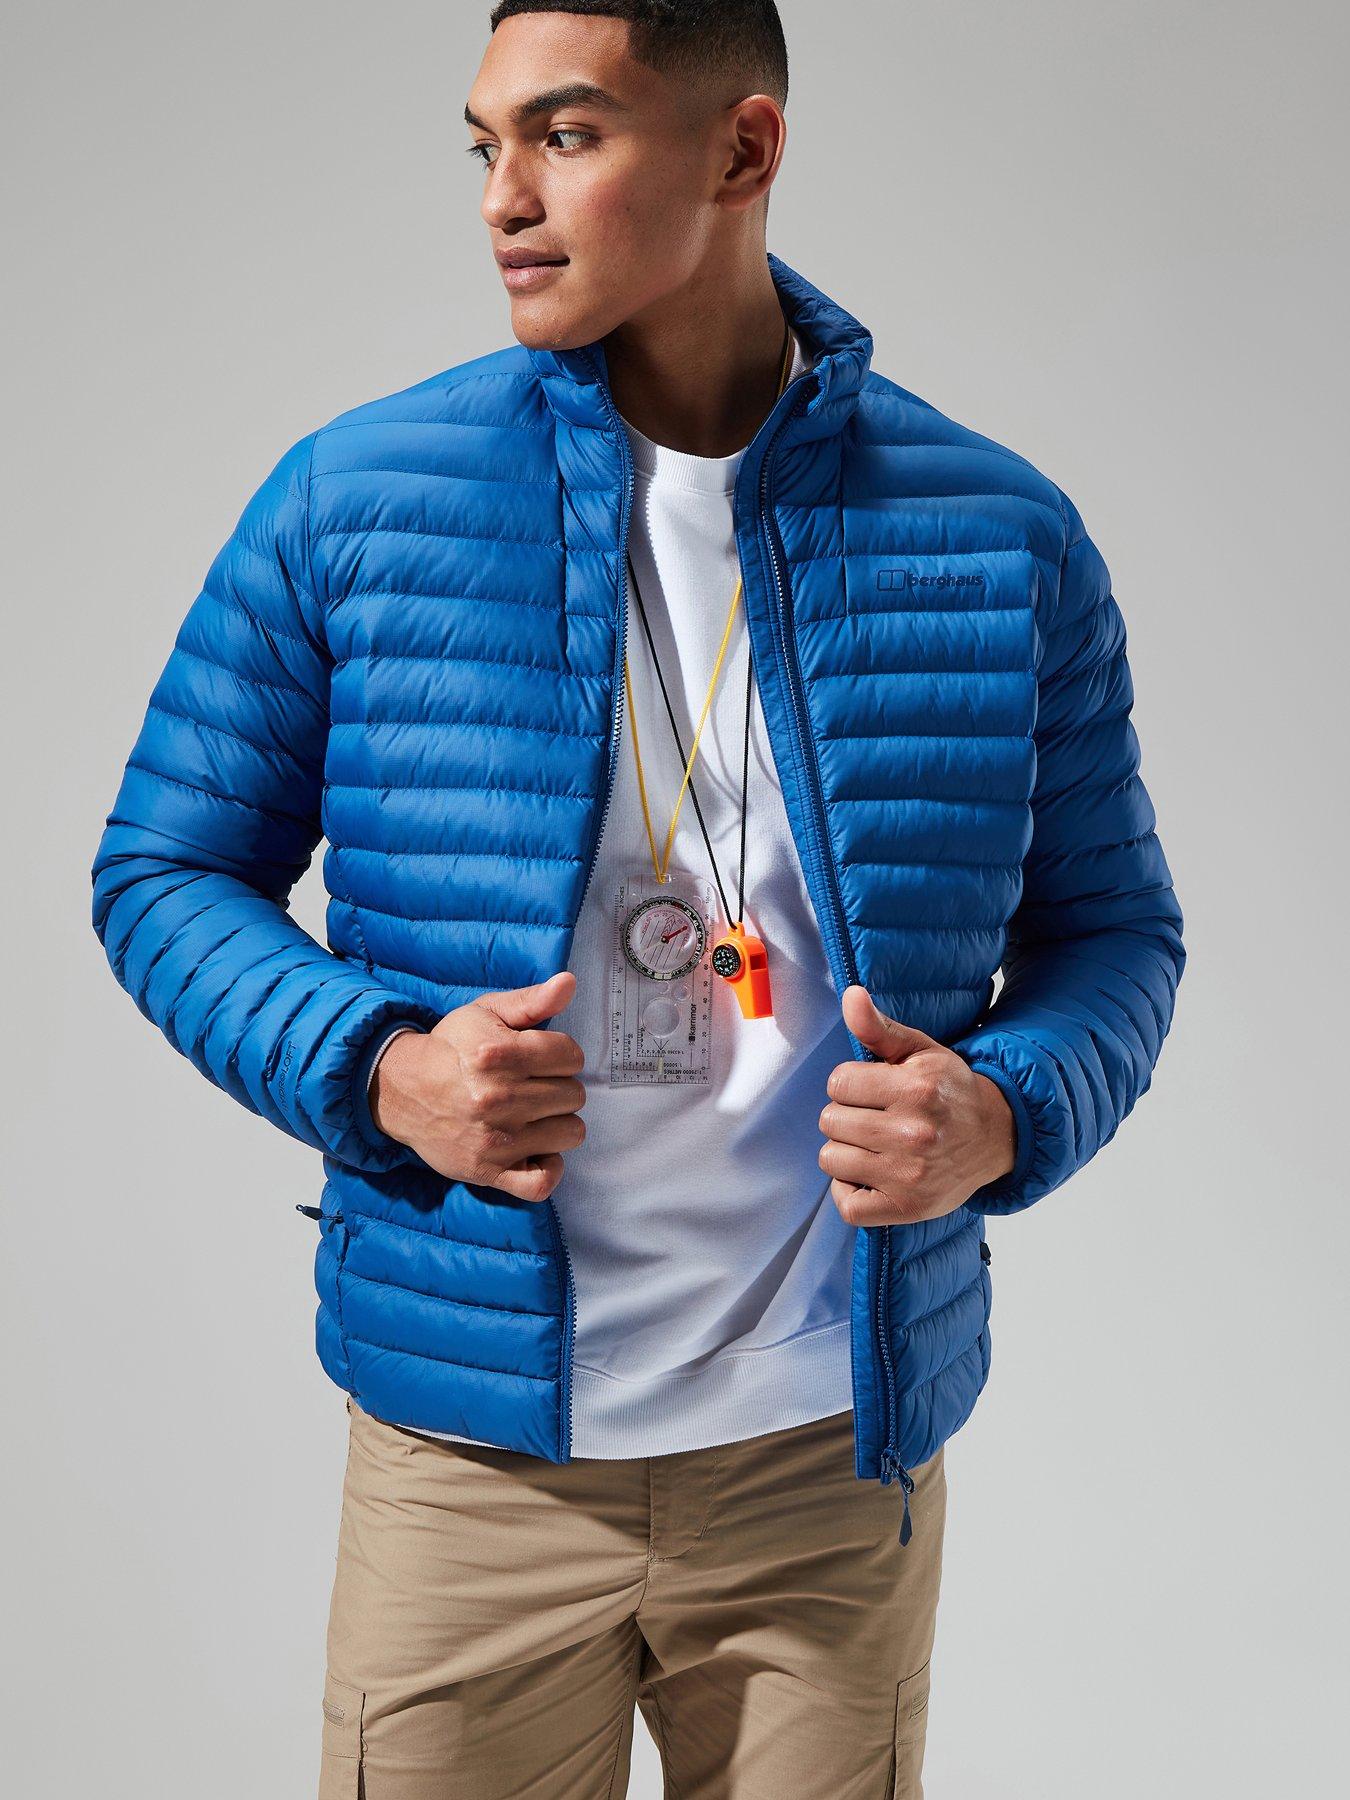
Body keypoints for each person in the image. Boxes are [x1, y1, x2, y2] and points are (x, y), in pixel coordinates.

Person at [89, 2, 1186, 1794]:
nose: (501, 197)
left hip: (827, 1455)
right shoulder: (357, 499)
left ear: (741, 150)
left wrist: (1005, 1110)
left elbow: (1114, 930)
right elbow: (162, 869)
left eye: (567, 134)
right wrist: (378, 1069)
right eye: (484, 145)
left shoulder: (997, 534)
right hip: (471, 1462)